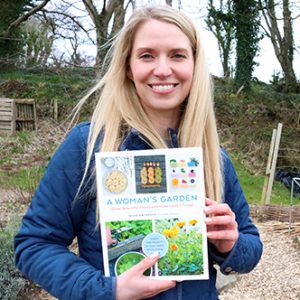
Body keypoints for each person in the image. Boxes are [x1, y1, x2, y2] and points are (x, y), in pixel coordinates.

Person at [15, 5, 263, 300]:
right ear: (128, 67)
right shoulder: (89, 145)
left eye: (177, 55)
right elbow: (35, 245)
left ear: (194, 65)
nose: (162, 69)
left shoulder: (212, 155)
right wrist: (109, 290)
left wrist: (231, 243)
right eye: (147, 55)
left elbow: (250, 247)